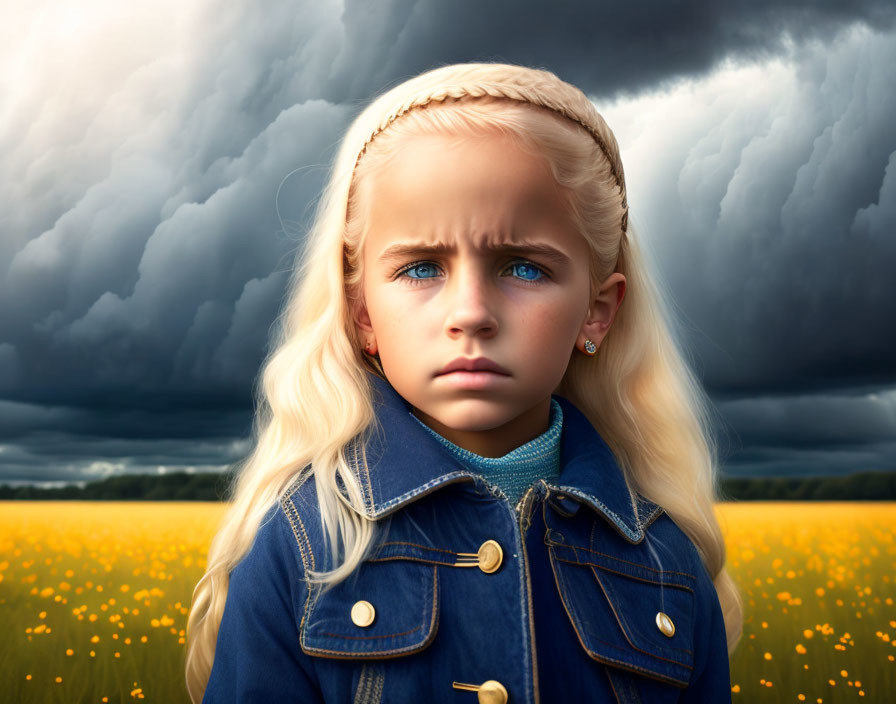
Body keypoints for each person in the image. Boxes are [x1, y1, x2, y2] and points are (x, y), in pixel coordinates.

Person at [186, 62, 743, 703]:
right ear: (363, 312)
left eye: (524, 268)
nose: (471, 313)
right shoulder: (304, 546)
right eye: (422, 267)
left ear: (597, 310)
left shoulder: (668, 565)